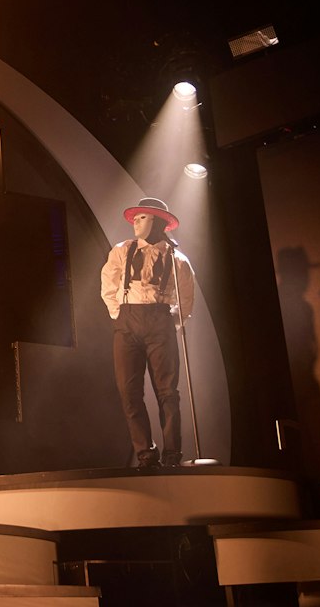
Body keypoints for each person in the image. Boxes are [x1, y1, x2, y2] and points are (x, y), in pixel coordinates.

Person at [99, 196, 195, 469]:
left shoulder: (177, 259)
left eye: (142, 218)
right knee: (128, 390)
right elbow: (108, 281)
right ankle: (145, 452)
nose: (135, 224)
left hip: (159, 321)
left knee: (167, 391)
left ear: (157, 221)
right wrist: (117, 313)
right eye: (135, 218)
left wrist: (170, 323)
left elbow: (186, 298)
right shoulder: (122, 250)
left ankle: (172, 452)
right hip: (127, 320)